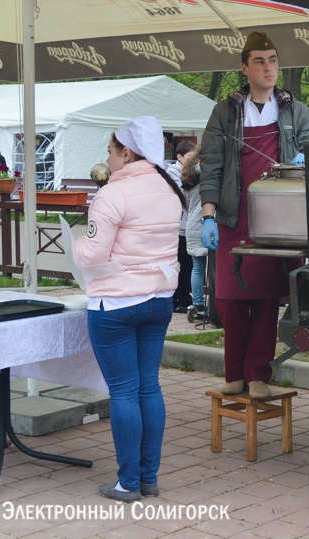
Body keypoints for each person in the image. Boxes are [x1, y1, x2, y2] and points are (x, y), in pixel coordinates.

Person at [73, 116, 185, 502]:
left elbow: (92, 255)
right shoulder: (169, 188)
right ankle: (147, 478)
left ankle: (128, 483)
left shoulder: (112, 194)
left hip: (117, 301)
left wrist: (75, 244)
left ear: (126, 153)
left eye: (110, 151)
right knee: (148, 387)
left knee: (123, 392)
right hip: (159, 298)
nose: (107, 158)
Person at [199, 31, 309, 399]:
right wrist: (208, 216)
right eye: (260, 62)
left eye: (273, 61)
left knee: (265, 300)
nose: (269, 68)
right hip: (233, 218)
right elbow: (211, 165)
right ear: (244, 68)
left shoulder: (296, 111)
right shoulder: (225, 111)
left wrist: (306, 158)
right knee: (228, 300)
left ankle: (258, 375)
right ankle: (233, 372)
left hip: (278, 220)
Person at [180, 144, 211, 321]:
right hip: (207, 223)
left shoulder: (188, 179)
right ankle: (214, 303)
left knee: (197, 268)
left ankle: (198, 304)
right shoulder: (209, 176)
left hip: (191, 225)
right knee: (213, 267)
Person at [165, 141, 194, 313]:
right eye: (190, 158)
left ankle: (184, 296)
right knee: (178, 264)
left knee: (188, 265)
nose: (194, 161)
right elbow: (183, 196)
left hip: (189, 226)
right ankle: (176, 298)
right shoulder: (172, 172)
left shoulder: (193, 171)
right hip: (177, 227)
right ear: (180, 157)